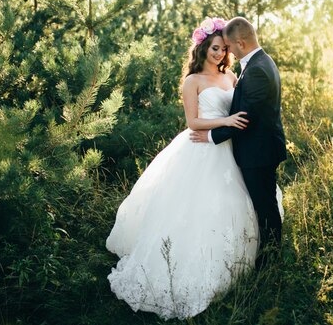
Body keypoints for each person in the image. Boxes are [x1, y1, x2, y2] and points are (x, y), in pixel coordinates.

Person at [105, 17, 260, 320]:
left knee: (232, 205)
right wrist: (225, 122)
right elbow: (193, 123)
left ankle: (234, 268)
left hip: (228, 150)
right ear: (203, 49)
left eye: (223, 49)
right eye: (215, 48)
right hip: (200, 147)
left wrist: (231, 127)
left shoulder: (231, 77)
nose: (219, 54)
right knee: (193, 208)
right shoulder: (193, 81)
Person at [190, 16, 287, 270]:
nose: (226, 53)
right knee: (261, 204)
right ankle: (266, 255)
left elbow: (244, 118)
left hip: (258, 151)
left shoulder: (255, 69)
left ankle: (269, 262)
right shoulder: (259, 62)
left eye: (228, 47)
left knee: (264, 207)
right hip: (253, 148)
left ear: (240, 43)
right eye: (219, 48)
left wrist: (211, 137)